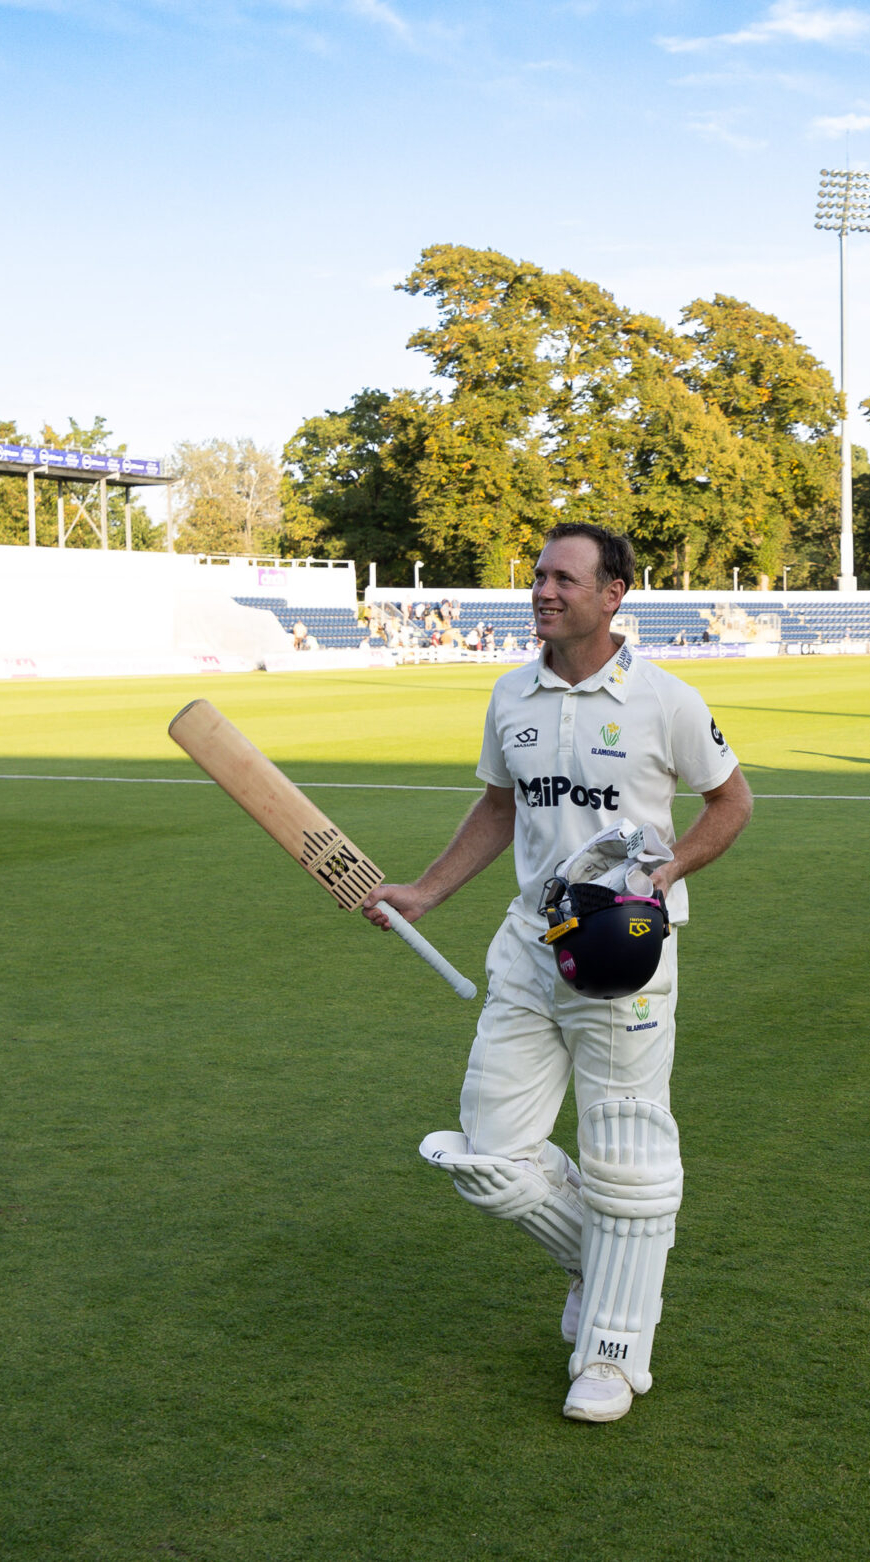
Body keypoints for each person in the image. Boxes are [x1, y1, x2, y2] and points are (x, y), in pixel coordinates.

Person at [362, 522, 754, 1422]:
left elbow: (730, 802)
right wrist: (425, 891)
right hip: (527, 946)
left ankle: (612, 1355)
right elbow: (501, 807)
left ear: (612, 594)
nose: (542, 590)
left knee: (626, 1160)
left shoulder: (665, 699)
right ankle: (603, 1259)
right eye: (537, 575)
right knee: (490, 1154)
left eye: (562, 579)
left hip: (623, 954)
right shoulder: (511, 694)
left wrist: (667, 871)